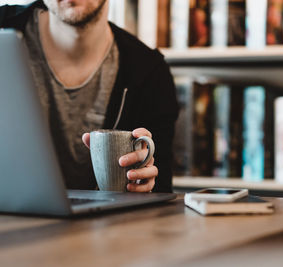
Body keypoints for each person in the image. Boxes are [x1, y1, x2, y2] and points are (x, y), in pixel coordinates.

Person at [0, 0, 179, 193]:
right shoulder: (3, 25)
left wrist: (145, 184)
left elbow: (160, 189)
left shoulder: (149, 72)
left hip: (106, 223)